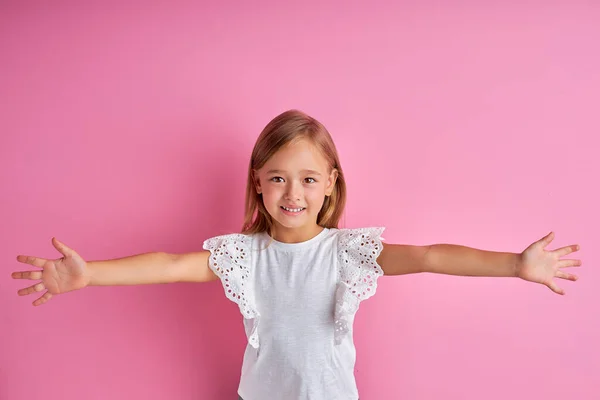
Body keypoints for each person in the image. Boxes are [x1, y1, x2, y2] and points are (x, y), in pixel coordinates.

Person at [12, 109, 582, 400]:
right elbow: (167, 265)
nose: (294, 193)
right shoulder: (244, 256)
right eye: (278, 178)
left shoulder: (348, 253)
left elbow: (431, 255)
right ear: (257, 184)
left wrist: (515, 264)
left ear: (330, 184)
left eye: (309, 179)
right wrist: (89, 277)